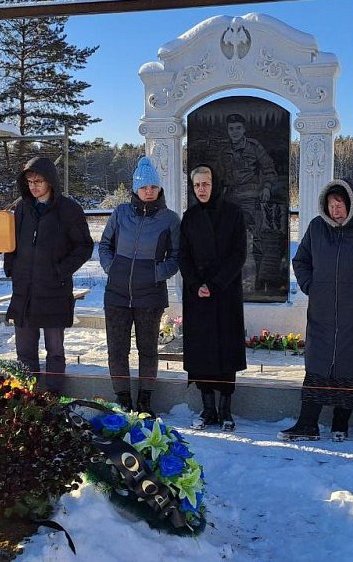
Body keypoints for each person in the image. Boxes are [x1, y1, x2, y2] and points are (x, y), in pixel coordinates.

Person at [281, 179, 353, 442]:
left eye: (340, 204)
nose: (336, 209)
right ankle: (307, 423)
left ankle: (340, 424)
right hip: (322, 313)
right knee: (317, 367)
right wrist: (310, 285)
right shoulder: (316, 229)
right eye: (331, 205)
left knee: (350, 368)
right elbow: (300, 260)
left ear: (352, 204)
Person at [98, 156, 180, 415]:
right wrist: (113, 268)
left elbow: (177, 256)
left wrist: (156, 273)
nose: (148, 191)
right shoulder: (120, 213)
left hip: (150, 296)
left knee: (148, 350)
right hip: (117, 295)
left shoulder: (169, 219)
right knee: (117, 350)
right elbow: (104, 246)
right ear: (135, 188)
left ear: (159, 190)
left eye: (153, 187)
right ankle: (123, 399)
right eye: (144, 187)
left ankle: (145, 401)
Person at [4, 156, 93, 393]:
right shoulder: (22, 208)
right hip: (25, 292)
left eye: (39, 181)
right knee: (24, 351)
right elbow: (11, 241)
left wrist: (60, 270)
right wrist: (11, 267)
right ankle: (27, 398)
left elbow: (84, 246)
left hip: (54, 290)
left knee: (54, 350)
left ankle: (53, 398)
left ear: (50, 182)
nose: (33, 186)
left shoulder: (69, 209)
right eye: (30, 181)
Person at [179, 165, 247, 431]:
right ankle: (207, 409)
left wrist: (216, 284)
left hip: (225, 293)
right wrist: (196, 284)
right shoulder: (190, 217)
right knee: (202, 354)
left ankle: (225, 411)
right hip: (198, 297)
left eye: (205, 184)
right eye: (197, 185)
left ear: (214, 184)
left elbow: (238, 254)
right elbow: (183, 255)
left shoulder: (233, 214)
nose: (202, 190)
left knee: (225, 352)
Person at [216, 113, 285, 295]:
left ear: (244, 129)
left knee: (259, 242)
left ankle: (261, 282)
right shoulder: (224, 153)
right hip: (231, 200)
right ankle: (230, 282)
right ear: (227, 131)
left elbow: (270, 170)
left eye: (238, 128)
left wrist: (267, 188)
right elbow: (218, 179)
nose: (235, 132)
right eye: (231, 129)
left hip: (252, 198)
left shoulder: (254, 147)